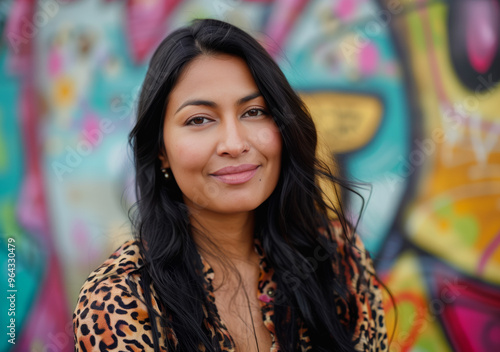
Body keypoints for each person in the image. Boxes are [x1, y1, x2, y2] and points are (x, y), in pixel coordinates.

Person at [73, 19, 388, 352]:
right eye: (199, 120)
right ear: (161, 151)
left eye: (254, 112)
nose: (235, 144)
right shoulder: (121, 299)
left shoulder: (337, 257)